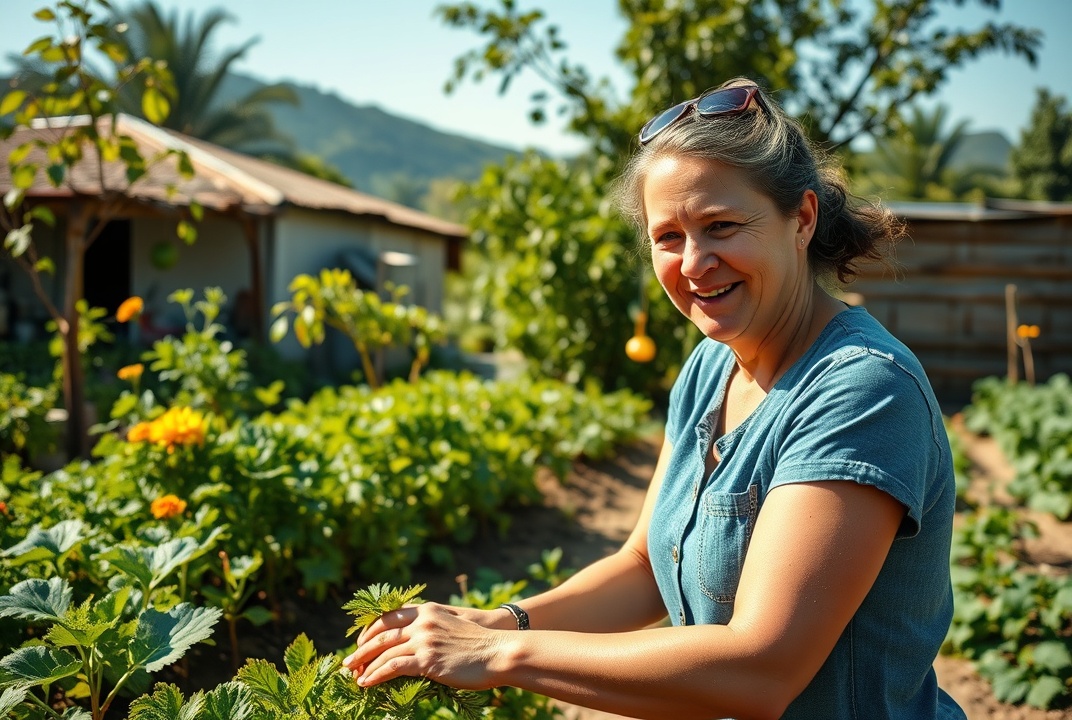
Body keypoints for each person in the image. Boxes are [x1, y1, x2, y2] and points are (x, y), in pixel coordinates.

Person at [343, 77, 966, 720]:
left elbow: (763, 669)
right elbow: (643, 567)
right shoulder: (711, 367)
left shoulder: (861, 390)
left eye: (721, 225)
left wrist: (500, 656)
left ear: (801, 218)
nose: (694, 263)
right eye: (668, 237)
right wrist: (496, 622)